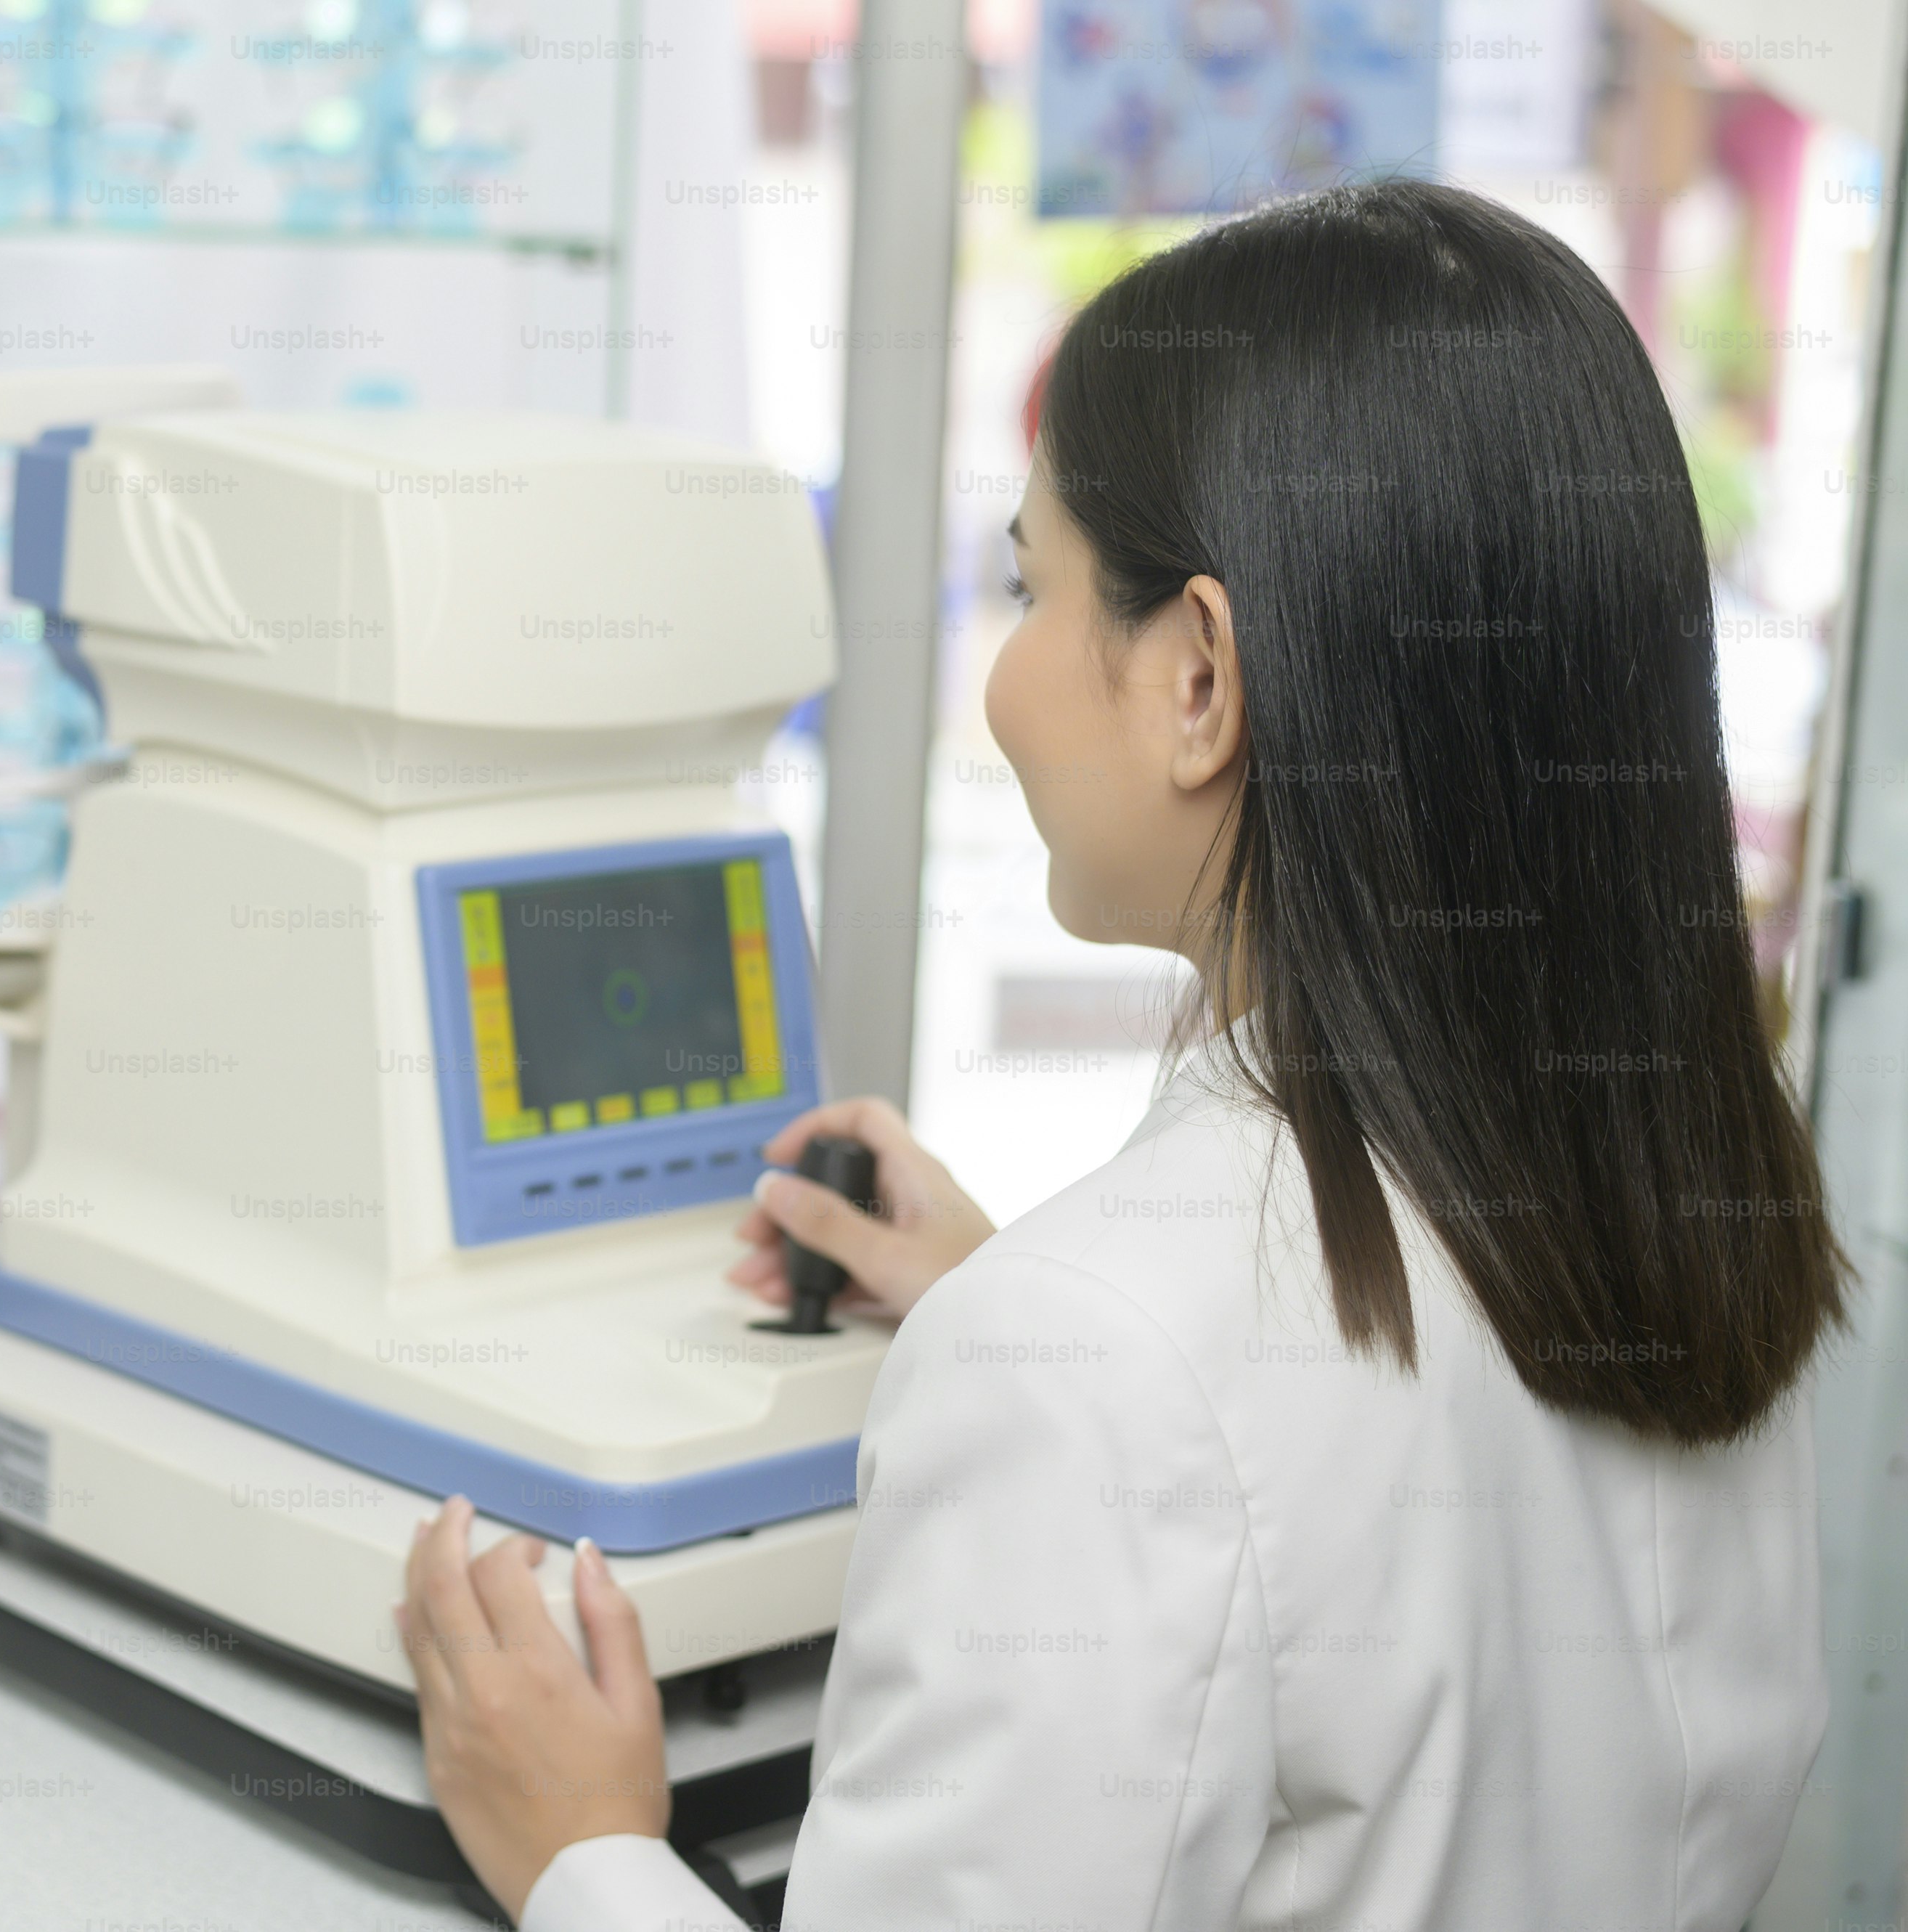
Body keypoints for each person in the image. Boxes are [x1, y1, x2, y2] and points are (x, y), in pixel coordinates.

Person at [394, 179, 1848, 1931]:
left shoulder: (1102, 1361)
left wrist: (586, 1852)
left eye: (1031, 585)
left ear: (1198, 681)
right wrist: (1049, 1318)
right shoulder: (1689, 1189)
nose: (1002, 681)